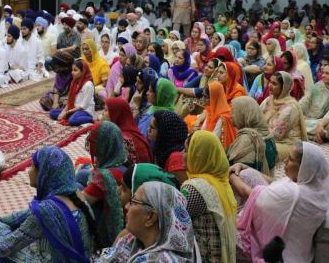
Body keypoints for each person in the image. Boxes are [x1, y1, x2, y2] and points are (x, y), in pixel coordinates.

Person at [0, 146, 95, 263]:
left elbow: (6, 246)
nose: (29, 171)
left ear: (43, 173)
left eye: (32, 166)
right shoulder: (77, 196)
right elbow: (24, 216)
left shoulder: (46, 210)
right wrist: (1, 219)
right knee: (4, 229)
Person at [231, 142, 329, 263]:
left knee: (227, 232)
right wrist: (245, 166)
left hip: (279, 254)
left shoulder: (293, 193)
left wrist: (231, 175)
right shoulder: (315, 187)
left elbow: (250, 194)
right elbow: (275, 182)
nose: (284, 161)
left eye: (290, 159)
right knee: (249, 174)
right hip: (299, 250)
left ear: (303, 167)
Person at [98, 181, 196, 263]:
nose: (126, 206)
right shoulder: (132, 240)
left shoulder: (162, 260)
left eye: (134, 202)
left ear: (151, 217)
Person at [181, 130, 237, 263]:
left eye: (186, 150)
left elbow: (172, 221)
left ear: (198, 155)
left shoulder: (193, 188)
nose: (182, 155)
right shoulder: (222, 183)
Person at [81, 121, 128, 248]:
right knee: (82, 174)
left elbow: (80, 201)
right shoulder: (123, 158)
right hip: (126, 222)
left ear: (102, 146)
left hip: (108, 233)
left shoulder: (104, 176)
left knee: (74, 190)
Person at [260, 71, 307, 160]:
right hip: (266, 137)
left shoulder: (291, 107)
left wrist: (256, 136)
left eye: (274, 84)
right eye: (270, 82)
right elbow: (256, 117)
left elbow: (277, 134)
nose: (270, 86)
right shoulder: (269, 100)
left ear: (284, 88)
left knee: (259, 149)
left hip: (286, 143)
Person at [228, 96, 275, 175]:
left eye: (233, 112)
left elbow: (240, 176)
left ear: (243, 114)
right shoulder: (268, 135)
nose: (230, 116)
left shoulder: (247, 140)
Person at [300, 62, 329, 143]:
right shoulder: (318, 86)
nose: (323, 75)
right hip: (313, 121)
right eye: (322, 72)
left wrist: (322, 124)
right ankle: (318, 134)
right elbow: (304, 101)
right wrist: (297, 111)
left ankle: (306, 132)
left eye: (327, 73)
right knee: (297, 120)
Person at [104, 98, 152, 163]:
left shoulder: (123, 138)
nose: (103, 113)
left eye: (106, 110)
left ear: (116, 113)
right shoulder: (128, 131)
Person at [50, 59, 95, 126]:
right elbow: (70, 100)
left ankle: (92, 119)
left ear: (83, 72)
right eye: (72, 70)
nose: (72, 72)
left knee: (72, 120)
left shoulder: (88, 85)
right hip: (74, 108)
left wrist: (67, 112)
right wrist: (64, 111)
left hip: (85, 110)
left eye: (75, 70)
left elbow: (83, 106)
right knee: (52, 113)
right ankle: (72, 116)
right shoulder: (74, 82)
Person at [149, 110, 188, 183]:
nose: (148, 130)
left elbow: (180, 189)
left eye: (152, 127)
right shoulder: (163, 149)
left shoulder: (176, 158)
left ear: (163, 131)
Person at [199, 81, 237, 149]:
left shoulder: (223, 117)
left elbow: (213, 139)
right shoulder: (211, 110)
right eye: (203, 95)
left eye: (205, 97)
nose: (203, 99)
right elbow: (203, 131)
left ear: (214, 97)